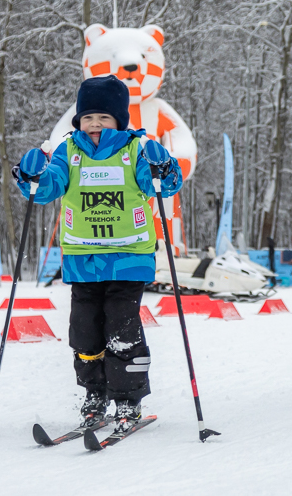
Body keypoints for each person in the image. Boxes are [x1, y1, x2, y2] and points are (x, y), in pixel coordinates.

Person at [13, 75, 182, 431]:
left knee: (121, 329)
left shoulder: (135, 149)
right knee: (85, 332)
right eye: (87, 118)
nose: (94, 124)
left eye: (103, 118)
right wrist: (31, 176)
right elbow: (46, 190)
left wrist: (163, 167)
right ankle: (95, 394)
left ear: (119, 120)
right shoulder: (68, 150)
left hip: (129, 256)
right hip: (82, 258)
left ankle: (127, 400)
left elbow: (166, 186)